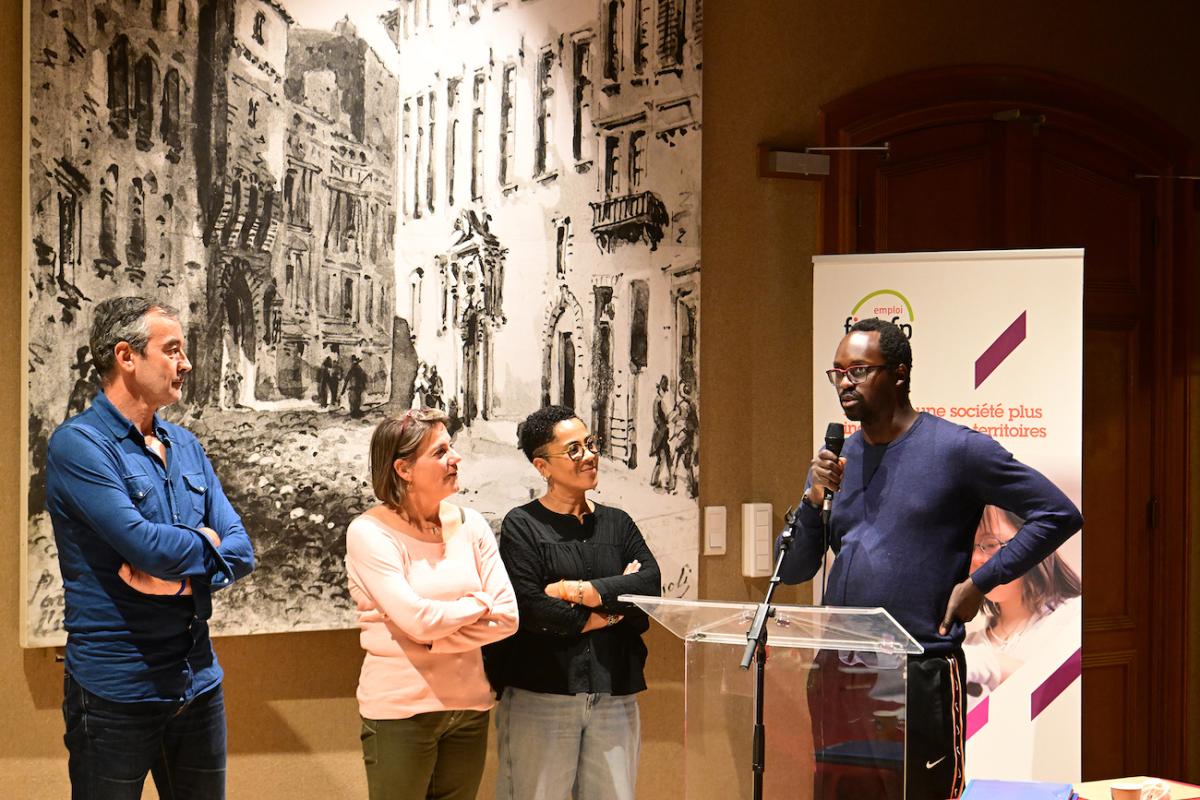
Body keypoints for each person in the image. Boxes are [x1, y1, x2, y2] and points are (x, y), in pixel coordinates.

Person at [777, 317, 1082, 800]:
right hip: (837, 674)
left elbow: (1058, 513)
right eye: (836, 372)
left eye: (857, 371)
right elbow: (795, 570)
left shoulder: (956, 449)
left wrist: (982, 582)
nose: (843, 383)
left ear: (898, 373)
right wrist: (814, 499)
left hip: (915, 674)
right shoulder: (839, 460)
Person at [45, 296, 256, 799]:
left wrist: (178, 578)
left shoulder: (185, 445)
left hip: (197, 680)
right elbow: (144, 546)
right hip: (116, 691)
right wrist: (205, 546)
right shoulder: (79, 445)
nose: (186, 364)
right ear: (126, 356)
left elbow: (242, 549)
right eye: (174, 350)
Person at [484, 405, 662, 800]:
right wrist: (615, 606)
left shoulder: (619, 523)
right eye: (574, 449)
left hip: (614, 694)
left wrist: (575, 591)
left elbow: (650, 586)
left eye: (591, 444)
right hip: (542, 695)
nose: (590, 455)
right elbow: (530, 607)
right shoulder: (522, 524)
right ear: (542, 466)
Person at [345, 408, 518, 800]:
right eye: (440, 452)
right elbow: (418, 619)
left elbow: (507, 616)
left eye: (451, 447)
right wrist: (478, 602)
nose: (455, 458)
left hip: (470, 707)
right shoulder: (369, 532)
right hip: (401, 712)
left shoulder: (471, 524)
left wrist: (434, 640)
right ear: (404, 469)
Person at [963, 505, 1082, 697]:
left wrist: (992, 665)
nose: (976, 559)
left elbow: (1071, 697)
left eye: (990, 544)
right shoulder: (971, 645)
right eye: (967, 548)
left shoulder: (1075, 618)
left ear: (1033, 540)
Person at [649, 375, 673, 491]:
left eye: (665, 390)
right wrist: (672, 415)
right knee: (664, 457)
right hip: (661, 434)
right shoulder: (659, 402)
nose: (664, 392)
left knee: (665, 457)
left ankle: (660, 480)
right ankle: (659, 480)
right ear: (659, 389)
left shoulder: (657, 401)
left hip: (661, 433)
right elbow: (663, 419)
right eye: (663, 390)